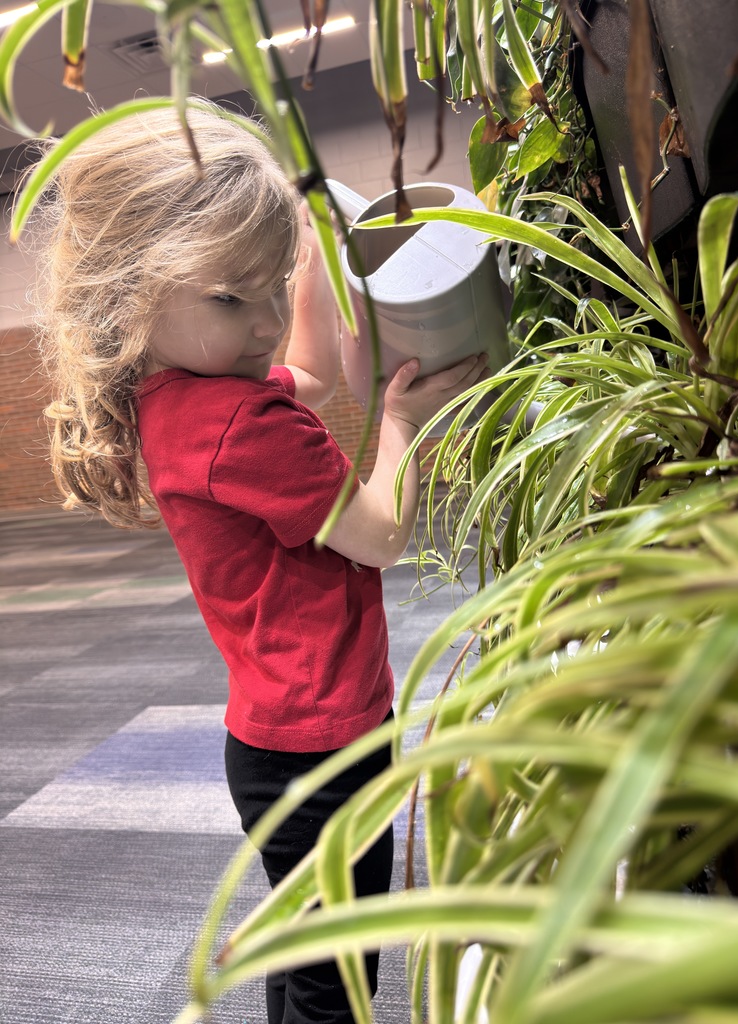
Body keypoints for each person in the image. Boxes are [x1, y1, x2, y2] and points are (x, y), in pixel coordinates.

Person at [25, 99, 487, 1024]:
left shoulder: (183, 391)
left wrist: (306, 257)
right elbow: (382, 533)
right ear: (131, 292)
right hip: (322, 748)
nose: (269, 321)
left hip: (281, 735)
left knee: (310, 949)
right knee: (337, 978)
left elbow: (307, 373)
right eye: (234, 298)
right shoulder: (242, 427)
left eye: (273, 284)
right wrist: (398, 424)